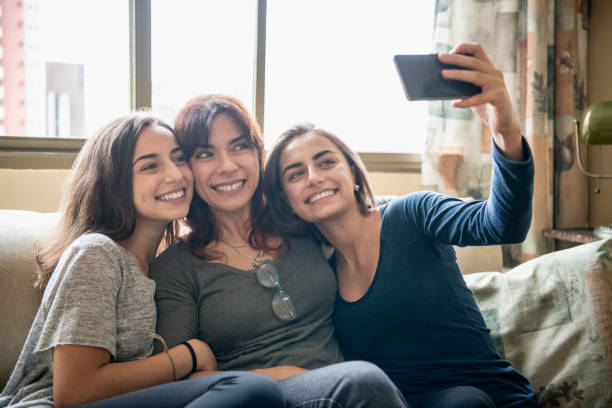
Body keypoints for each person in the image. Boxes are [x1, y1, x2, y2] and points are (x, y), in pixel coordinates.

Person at [263, 43, 539, 407]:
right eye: (296, 174)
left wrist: (505, 126)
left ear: (354, 175)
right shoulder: (316, 271)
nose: (313, 177)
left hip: (489, 400)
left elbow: (500, 225)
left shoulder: (412, 214)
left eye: (326, 162)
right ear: (286, 200)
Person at [0, 113, 284, 408]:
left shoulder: (163, 267)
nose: (175, 175)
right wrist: (190, 354)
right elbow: (74, 393)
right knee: (247, 388)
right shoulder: (97, 254)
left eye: (179, 159)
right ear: (113, 183)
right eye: (150, 166)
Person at [151, 94, 409, 407]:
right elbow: (177, 381)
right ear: (188, 169)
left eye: (239, 146)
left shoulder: (300, 224)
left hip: (348, 393)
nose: (227, 166)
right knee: (363, 379)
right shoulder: (177, 266)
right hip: (261, 398)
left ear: (257, 153)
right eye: (206, 154)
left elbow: (361, 212)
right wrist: (279, 375)